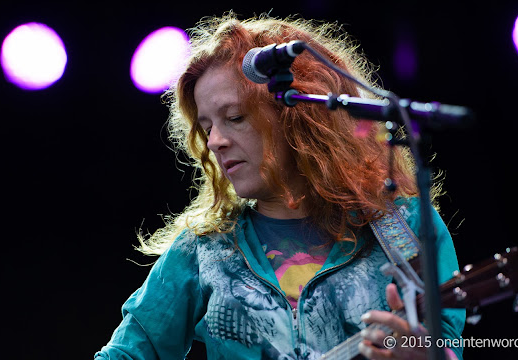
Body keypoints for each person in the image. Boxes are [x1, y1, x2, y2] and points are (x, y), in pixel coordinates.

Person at [95, 11, 465, 360]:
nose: (214, 142)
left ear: (300, 117)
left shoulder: (402, 224)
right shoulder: (204, 250)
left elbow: (448, 345)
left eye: (234, 117)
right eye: (207, 128)